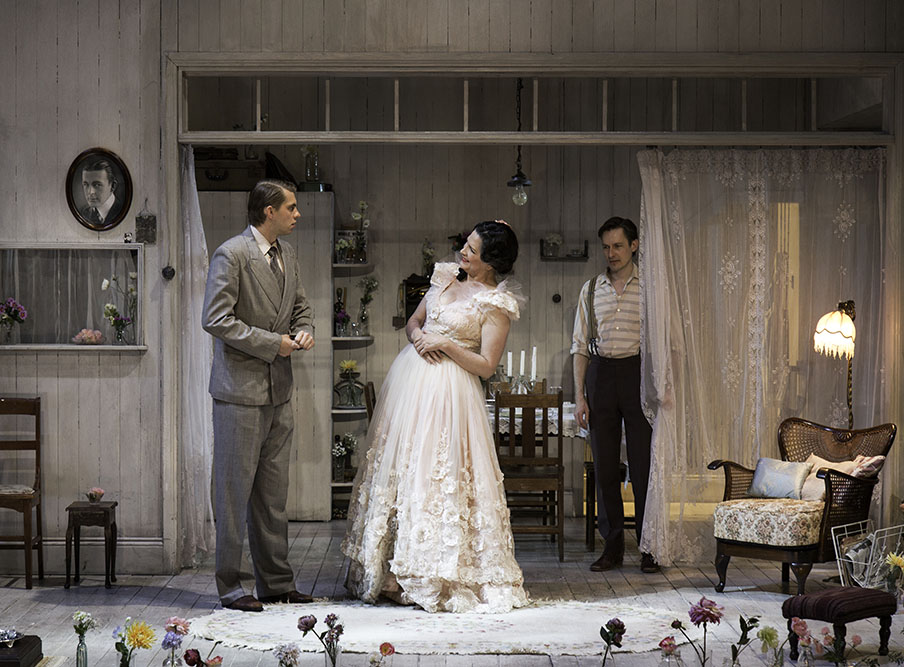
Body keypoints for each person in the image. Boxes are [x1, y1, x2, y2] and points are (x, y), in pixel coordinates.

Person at [342, 220, 530, 613]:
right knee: (403, 469)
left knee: (436, 473)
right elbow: (414, 322)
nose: (463, 252)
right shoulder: (445, 277)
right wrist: (419, 338)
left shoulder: (496, 303)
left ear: (491, 262)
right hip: (411, 383)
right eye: (465, 244)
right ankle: (389, 573)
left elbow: (486, 365)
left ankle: (432, 571)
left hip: (451, 394)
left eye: (472, 250)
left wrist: (444, 343)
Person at [201, 179, 316, 612]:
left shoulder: (288, 255)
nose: (297, 214)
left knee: (272, 495)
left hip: (279, 391)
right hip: (239, 392)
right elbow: (216, 319)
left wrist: (304, 330)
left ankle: (276, 583)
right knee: (233, 496)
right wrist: (274, 344)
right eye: (291, 207)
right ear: (269, 211)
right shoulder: (232, 254)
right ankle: (232, 586)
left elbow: (301, 306)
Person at [571, 216, 657, 573]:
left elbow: (664, 342)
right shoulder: (591, 289)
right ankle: (613, 545)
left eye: (618, 246)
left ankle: (650, 546)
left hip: (638, 374)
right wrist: (580, 395)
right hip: (602, 374)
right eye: (606, 247)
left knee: (643, 465)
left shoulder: (650, 288)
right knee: (605, 465)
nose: (612, 253)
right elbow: (579, 347)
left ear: (634, 245)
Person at [79, 159, 125, 227]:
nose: (91, 192)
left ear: (113, 186)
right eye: (86, 184)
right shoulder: (83, 213)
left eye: (97, 185)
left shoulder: (122, 210)